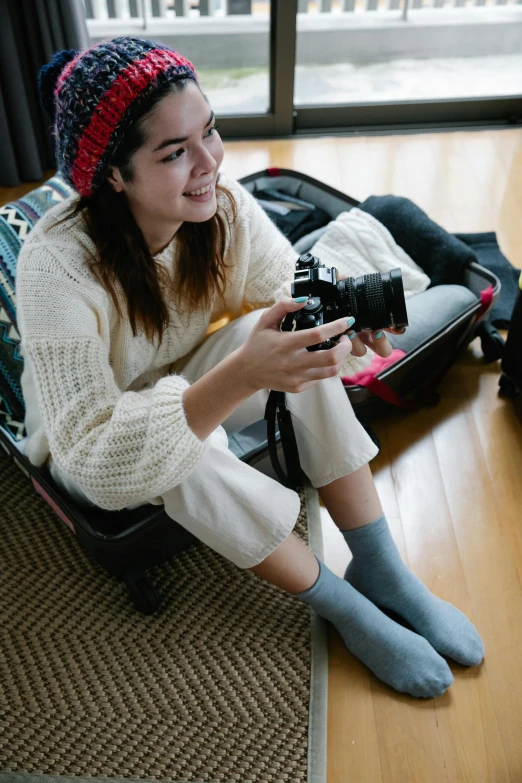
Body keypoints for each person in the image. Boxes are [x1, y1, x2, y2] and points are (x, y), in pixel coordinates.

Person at [16, 36, 484, 700]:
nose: (209, 162)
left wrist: (347, 324)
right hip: (88, 436)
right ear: (114, 176)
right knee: (186, 450)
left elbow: (285, 288)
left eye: (209, 131)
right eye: (175, 152)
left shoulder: (223, 204)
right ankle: (343, 607)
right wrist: (238, 377)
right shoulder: (55, 266)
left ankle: (380, 567)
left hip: (177, 374)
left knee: (295, 322)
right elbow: (96, 457)